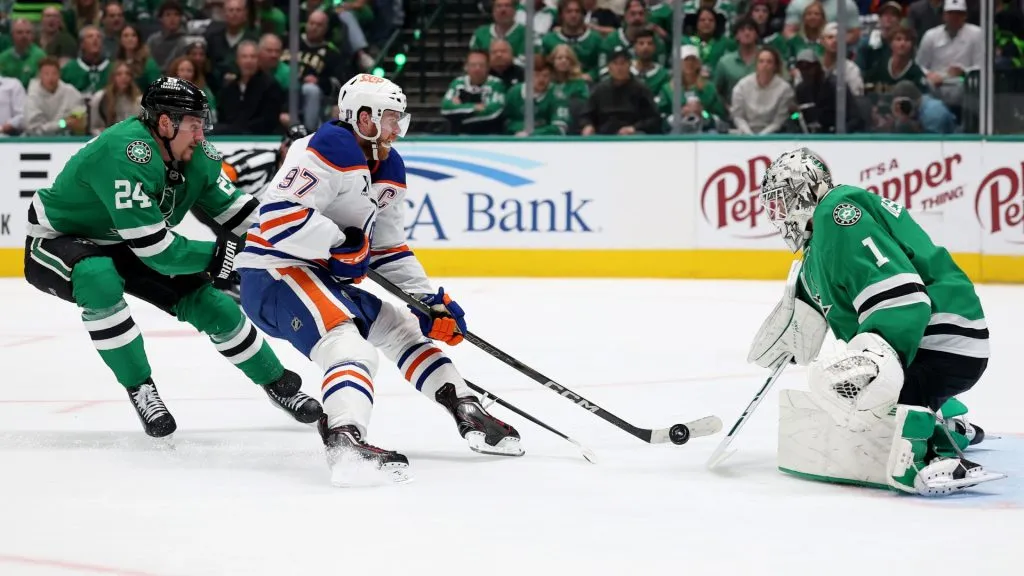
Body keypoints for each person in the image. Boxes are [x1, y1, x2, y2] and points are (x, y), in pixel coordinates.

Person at [236, 74, 523, 487]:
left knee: (402, 329)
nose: (397, 128)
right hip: (274, 274)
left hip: (317, 279)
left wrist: (429, 301)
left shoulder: (388, 165)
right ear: (363, 117)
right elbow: (278, 218)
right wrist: (339, 243)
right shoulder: (325, 148)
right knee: (349, 345)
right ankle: (345, 438)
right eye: (390, 118)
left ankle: (465, 406)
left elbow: (386, 247)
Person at [23, 77, 322, 440]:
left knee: (215, 306)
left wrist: (305, 238)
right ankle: (140, 387)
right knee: (98, 278)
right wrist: (218, 256)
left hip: (128, 238)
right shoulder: (123, 153)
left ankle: (278, 383)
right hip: (60, 239)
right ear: (165, 123)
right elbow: (157, 251)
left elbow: (242, 215)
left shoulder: (197, 156)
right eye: (195, 125)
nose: (201, 135)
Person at [750, 147, 1004, 496]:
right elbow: (826, 290)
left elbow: (905, 298)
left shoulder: (838, 213)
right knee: (851, 381)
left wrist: (877, 364)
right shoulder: (822, 238)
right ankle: (948, 420)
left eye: (780, 200)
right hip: (949, 343)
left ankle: (926, 443)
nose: (775, 213)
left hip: (941, 341)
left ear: (804, 191)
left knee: (843, 385)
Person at [222, 124, 310, 199]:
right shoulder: (262, 160)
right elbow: (218, 174)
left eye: (304, 152)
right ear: (283, 146)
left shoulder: (305, 177)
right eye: (294, 149)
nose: (298, 156)